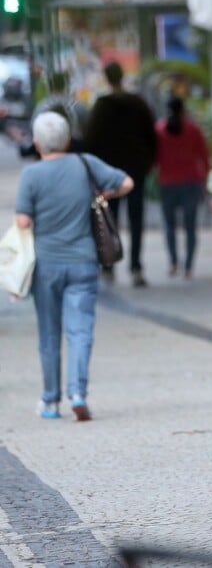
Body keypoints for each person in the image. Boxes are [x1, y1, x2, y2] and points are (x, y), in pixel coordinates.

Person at [14, 111, 134, 421]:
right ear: (67, 140)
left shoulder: (32, 175)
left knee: (49, 334)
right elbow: (127, 182)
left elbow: (23, 221)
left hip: (46, 266)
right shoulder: (85, 164)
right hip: (83, 262)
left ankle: (50, 401)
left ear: (37, 143)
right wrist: (106, 193)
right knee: (80, 331)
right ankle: (78, 393)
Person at [85, 60, 157, 287]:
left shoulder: (101, 106)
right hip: (136, 171)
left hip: (109, 174)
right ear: (122, 77)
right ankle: (136, 267)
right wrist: (147, 163)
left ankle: (109, 265)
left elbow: (91, 141)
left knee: (109, 219)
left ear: (107, 78)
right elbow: (151, 136)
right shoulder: (138, 103)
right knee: (136, 220)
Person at [154, 97, 210, 279]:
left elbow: (155, 157)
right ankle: (188, 267)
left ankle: (173, 262)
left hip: (167, 183)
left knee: (169, 226)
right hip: (190, 182)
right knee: (190, 227)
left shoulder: (159, 130)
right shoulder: (193, 130)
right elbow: (204, 155)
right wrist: (205, 179)